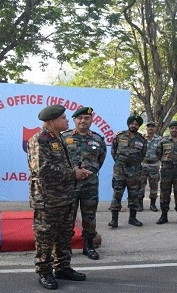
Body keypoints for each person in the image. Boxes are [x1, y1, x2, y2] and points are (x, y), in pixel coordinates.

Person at [28, 104, 91, 290]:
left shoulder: (60, 138)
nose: (66, 120)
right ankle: (44, 272)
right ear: (51, 121)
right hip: (48, 199)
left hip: (65, 196)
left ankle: (62, 267)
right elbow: (42, 169)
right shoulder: (40, 140)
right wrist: (74, 174)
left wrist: (77, 172)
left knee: (65, 234)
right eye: (63, 118)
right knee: (45, 236)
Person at [62, 106, 107, 260]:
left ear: (91, 120)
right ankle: (66, 247)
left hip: (90, 184)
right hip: (70, 184)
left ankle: (88, 246)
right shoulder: (64, 137)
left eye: (86, 118)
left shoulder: (97, 139)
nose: (83, 121)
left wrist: (89, 172)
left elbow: (100, 159)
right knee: (68, 216)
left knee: (89, 216)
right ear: (74, 120)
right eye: (80, 118)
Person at [108, 115, 147, 228]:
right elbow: (113, 152)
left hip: (135, 171)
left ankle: (132, 218)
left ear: (138, 126)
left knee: (134, 194)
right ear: (128, 124)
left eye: (136, 124)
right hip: (120, 170)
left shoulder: (142, 139)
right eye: (132, 123)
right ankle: (114, 220)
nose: (134, 125)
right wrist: (121, 162)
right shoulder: (119, 136)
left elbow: (143, 154)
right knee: (117, 194)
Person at [139, 121, 161, 212]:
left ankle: (153, 204)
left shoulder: (160, 139)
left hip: (154, 165)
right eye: (149, 127)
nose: (151, 128)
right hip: (143, 165)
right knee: (140, 186)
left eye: (152, 127)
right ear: (147, 128)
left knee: (154, 186)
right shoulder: (142, 138)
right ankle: (140, 204)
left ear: (155, 128)